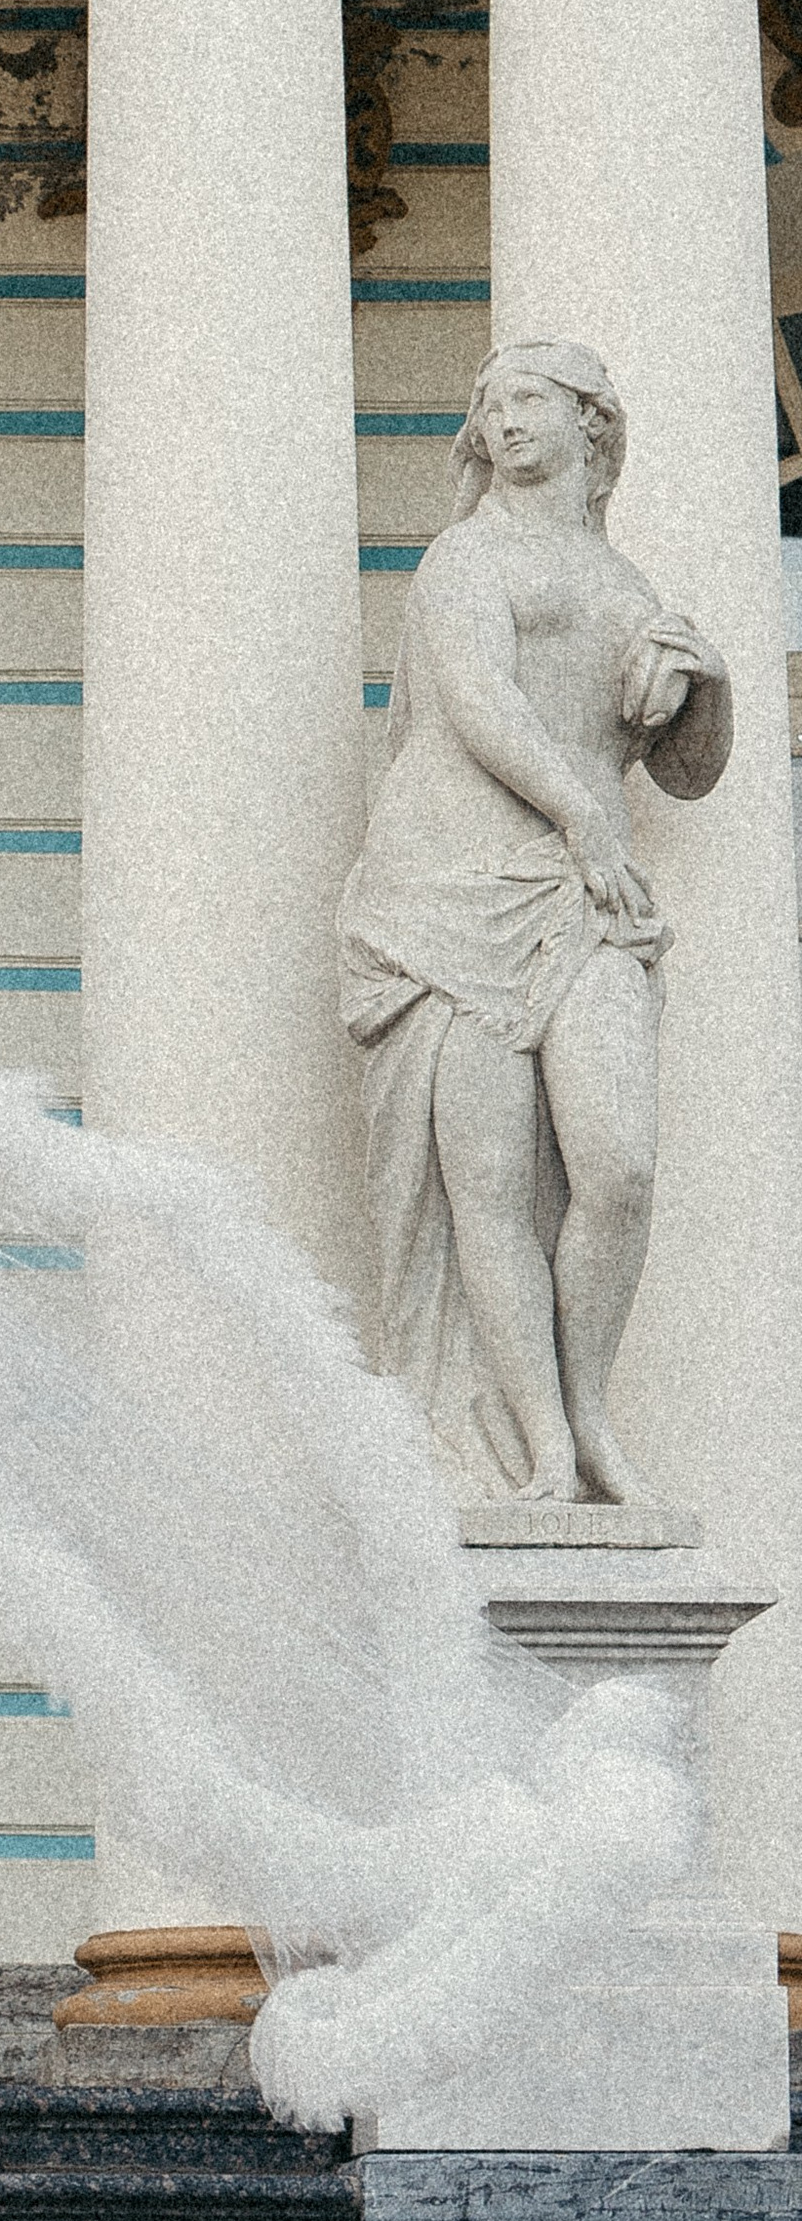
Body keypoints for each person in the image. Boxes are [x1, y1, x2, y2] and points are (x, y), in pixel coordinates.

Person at [337, 341, 729, 1506]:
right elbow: (476, 702)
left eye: (527, 400)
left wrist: (708, 685)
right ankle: (545, 1445)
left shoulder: (629, 590)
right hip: (448, 888)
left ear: (591, 424)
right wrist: (581, 818)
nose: (502, 421)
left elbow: (687, 773)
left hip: (581, 895)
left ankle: (588, 1403)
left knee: (617, 1167)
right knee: (490, 1185)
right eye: (489, 405)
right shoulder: (467, 556)